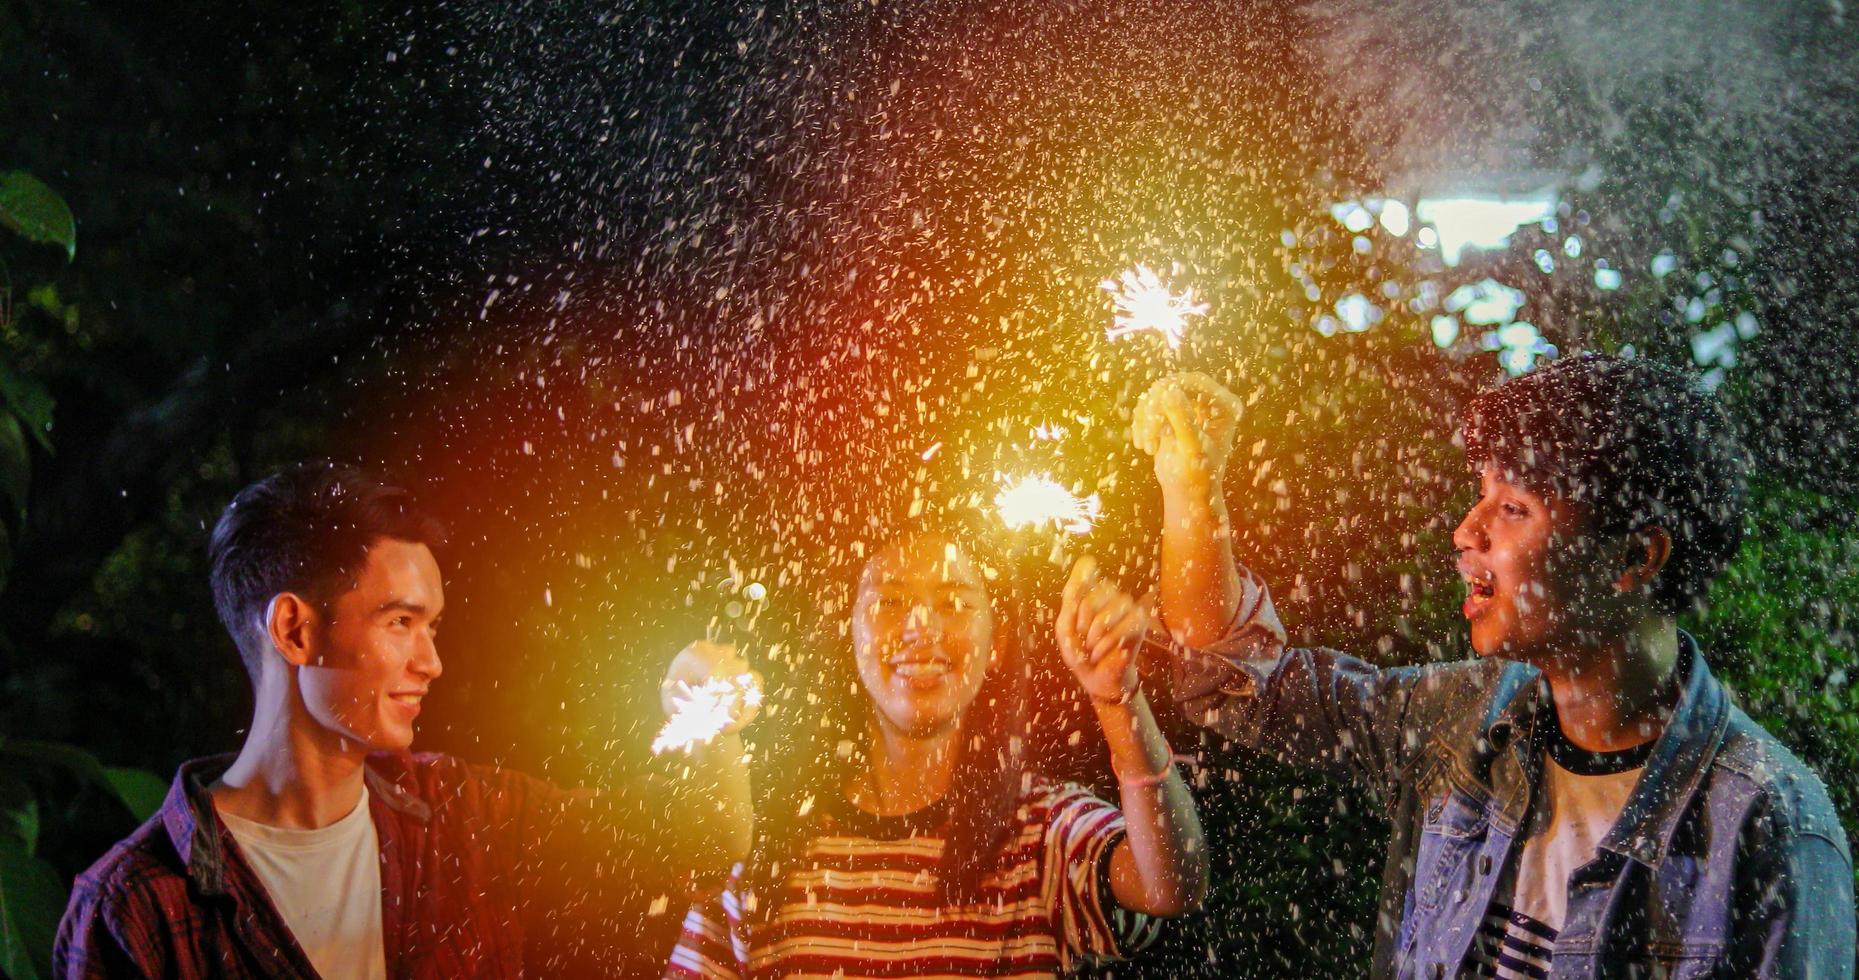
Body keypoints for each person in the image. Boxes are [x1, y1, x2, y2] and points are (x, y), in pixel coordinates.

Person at [1137, 359, 1854, 978]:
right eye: (1480, 494)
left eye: (1512, 507)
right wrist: (1191, 488)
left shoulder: (1767, 829)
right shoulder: (1459, 721)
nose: (1465, 531)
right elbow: (1236, 679)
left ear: (1636, 558)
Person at [54, 461, 754, 978]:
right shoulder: (136, 910)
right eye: (399, 622)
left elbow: (694, 836)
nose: (431, 663)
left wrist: (706, 701)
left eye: (433, 626)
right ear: (296, 631)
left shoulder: (461, 821)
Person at [664, 526, 1208, 978]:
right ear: (848, 633)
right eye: (890, 601)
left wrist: (1116, 697)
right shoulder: (769, 844)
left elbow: (1169, 885)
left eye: (953, 602)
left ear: (996, 644)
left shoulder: (1042, 831)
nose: (919, 629)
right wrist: (697, 733)